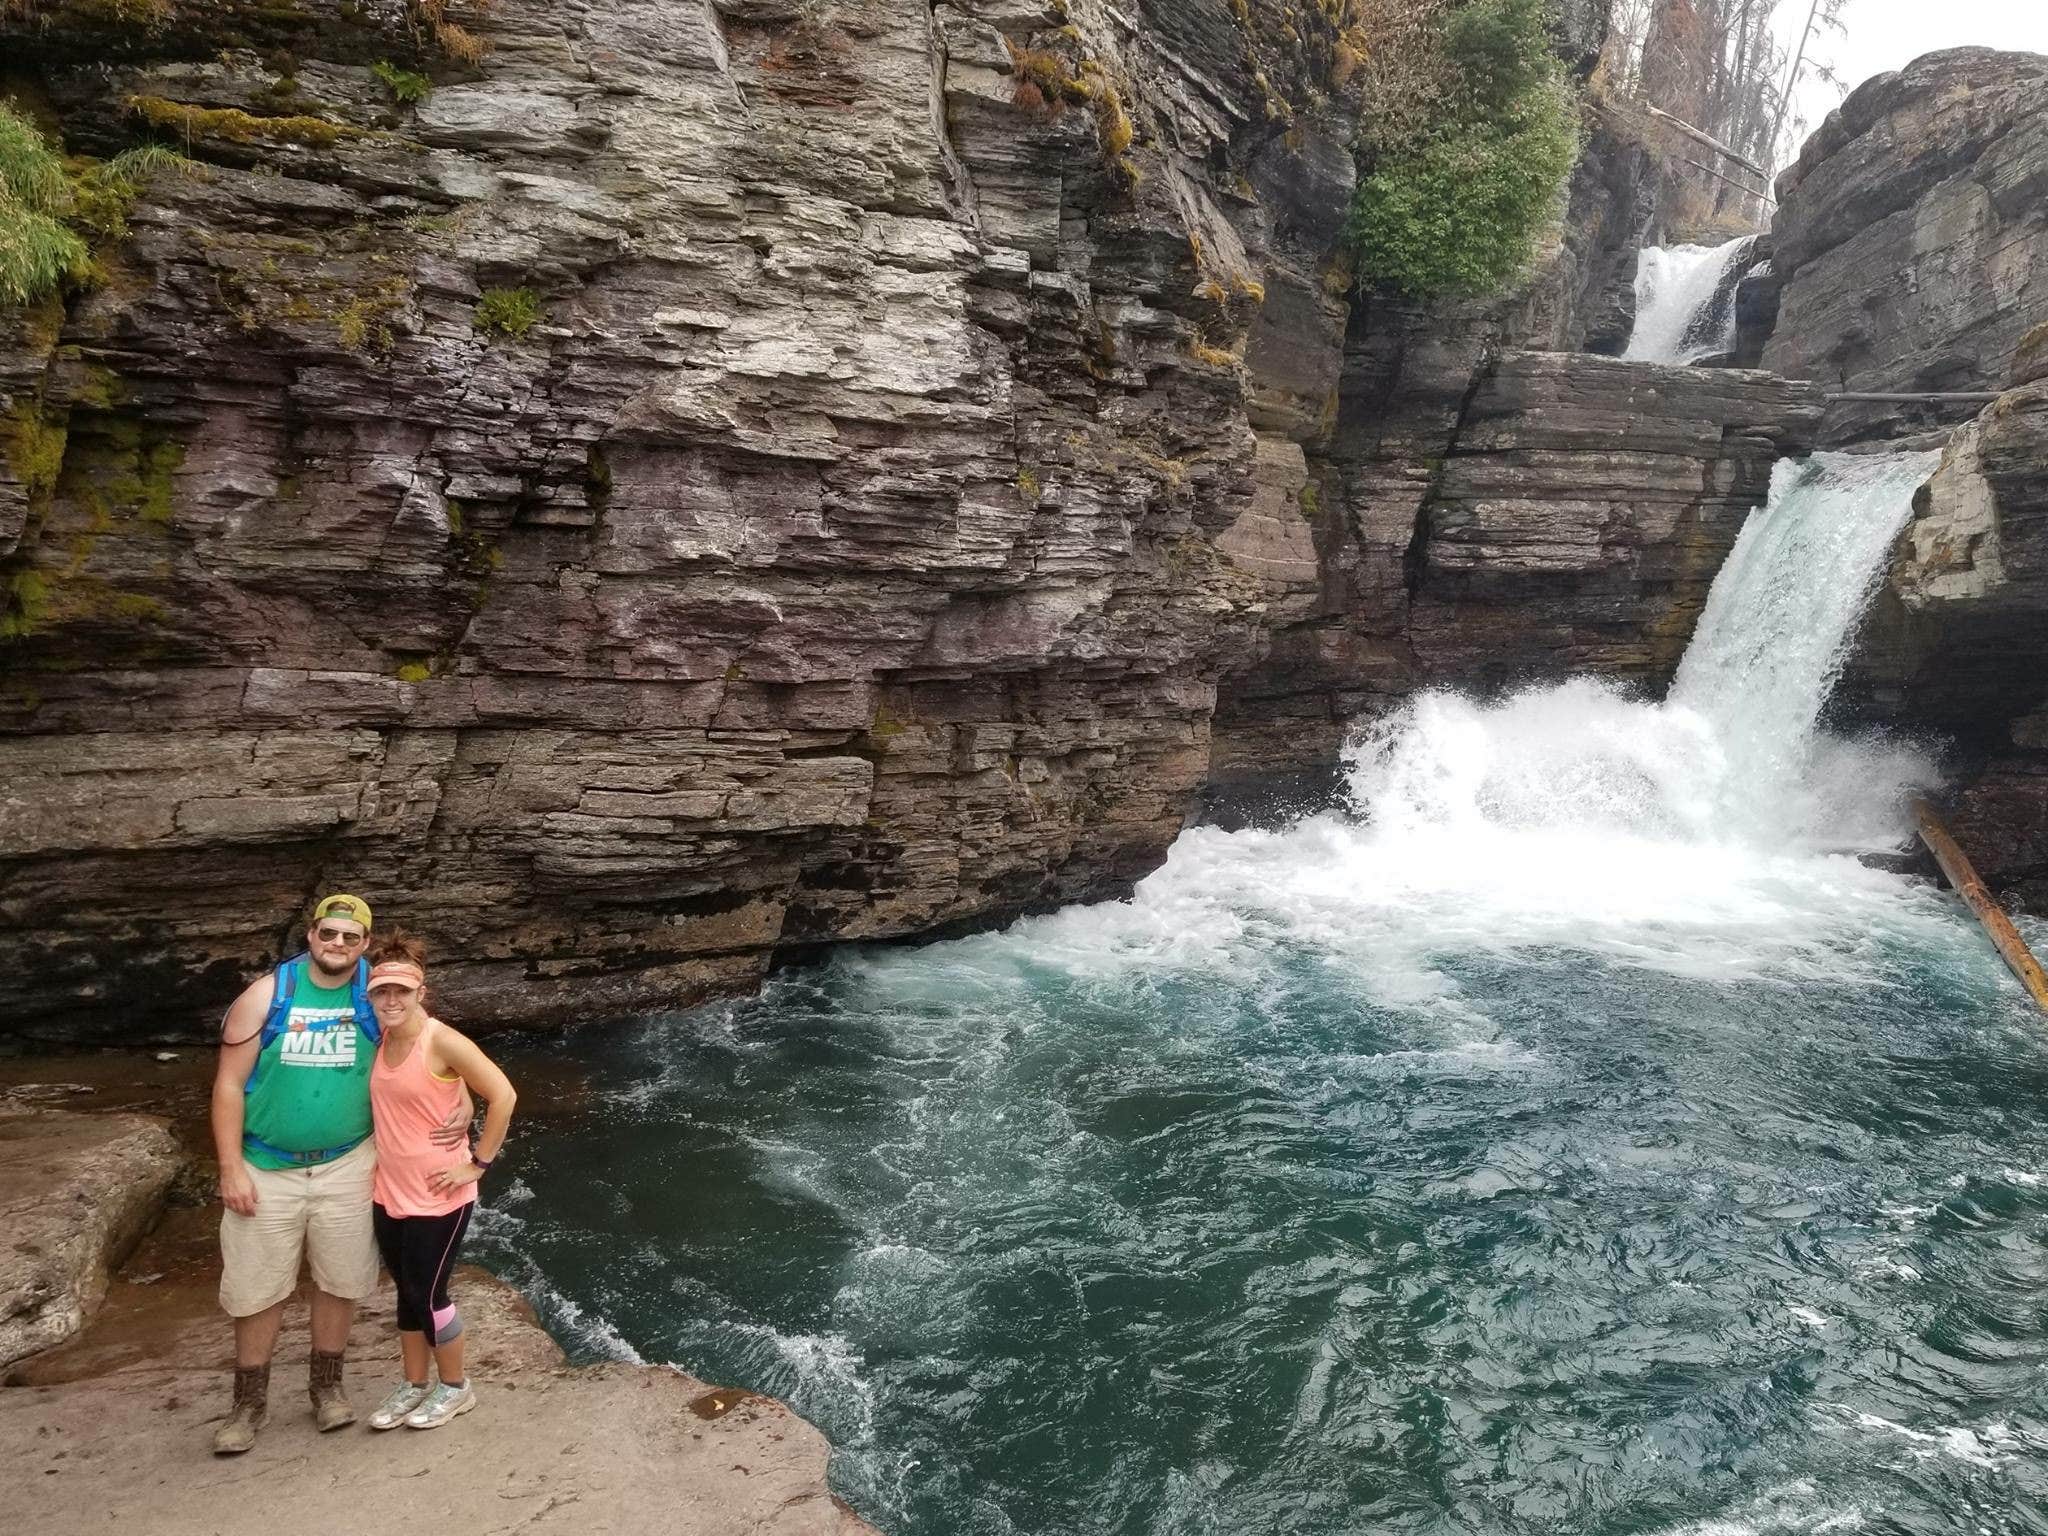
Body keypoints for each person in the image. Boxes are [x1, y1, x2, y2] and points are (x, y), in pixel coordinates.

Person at [209, 895, 468, 1455]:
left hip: (351, 1163)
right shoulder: (266, 997)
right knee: (258, 1290)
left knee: (341, 1280)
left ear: (366, 944)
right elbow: (229, 1084)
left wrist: (465, 1096)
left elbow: (431, 1041)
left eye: (352, 938)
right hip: (266, 1165)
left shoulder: (379, 992)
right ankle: (248, 1404)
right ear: (311, 935)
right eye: (330, 934)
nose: (339, 945)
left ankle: (326, 1388)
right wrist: (230, 1168)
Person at [362, 930, 516, 1430]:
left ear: (420, 994)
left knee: (429, 1294)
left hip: (439, 1193)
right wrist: (459, 1102)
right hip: (389, 1188)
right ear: (371, 994)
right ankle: (413, 1384)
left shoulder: (442, 1039)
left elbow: (504, 1095)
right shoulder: (382, 1036)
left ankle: (455, 1388)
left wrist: (478, 1163)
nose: (390, 1000)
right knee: (406, 1291)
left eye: (401, 992)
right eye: (381, 991)